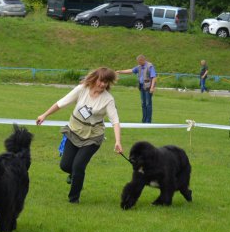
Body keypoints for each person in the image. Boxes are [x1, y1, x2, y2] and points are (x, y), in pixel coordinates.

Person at [36, 67, 123, 204]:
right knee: (65, 165)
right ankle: (75, 174)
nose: (102, 85)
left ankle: (74, 199)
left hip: (93, 137)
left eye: (106, 82)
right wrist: (44, 115)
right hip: (74, 131)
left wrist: (118, 141)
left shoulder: (108, 99)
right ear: (95, 79)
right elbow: (61, 103)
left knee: (78, 166)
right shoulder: (82, 89)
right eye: (101, 81)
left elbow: (115, 121)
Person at [117, 55, 157, 123]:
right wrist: (120, 71)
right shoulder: (139, 67)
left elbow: (154, 77)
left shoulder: (150, 66)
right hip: (141, 86)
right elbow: (131, 70)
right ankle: (144, 120)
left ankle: (148, 121)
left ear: (142, 60)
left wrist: (152, 87)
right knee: (143, 104)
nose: (138, 63)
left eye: (139, 62)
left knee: (148, 104)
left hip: (148, 87)